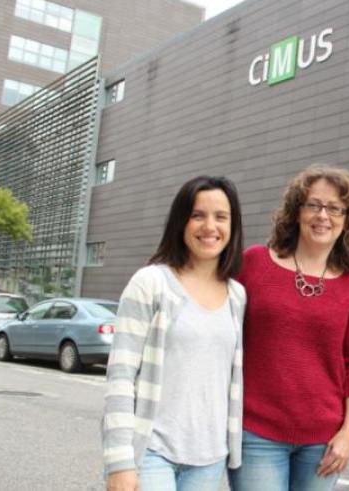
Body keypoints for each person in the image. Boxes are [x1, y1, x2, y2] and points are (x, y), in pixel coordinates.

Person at [228, 165, 349, 491]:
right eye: (313, 205)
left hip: (324, 440)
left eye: (335, 208)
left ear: (347, 220)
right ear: (296, 211)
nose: (323, 215)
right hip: (256, 433)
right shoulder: (254, 263)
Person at [102, 176, 246, 491]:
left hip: (209, 459)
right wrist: (120, 463)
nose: (210, 226)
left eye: (221, 217)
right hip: (151, 452)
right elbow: (121, 376)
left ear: (233, 226)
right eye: (198, 215)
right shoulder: (151, 283)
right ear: (181, 222)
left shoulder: (237, 295)